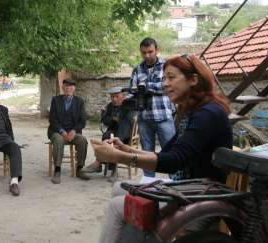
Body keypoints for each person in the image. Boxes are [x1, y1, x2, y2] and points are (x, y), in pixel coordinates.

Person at [93, 54, 233, 243]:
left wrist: (118, 157)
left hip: (200, 195)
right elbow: (166, 154)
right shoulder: (192, 112)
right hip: (187, 188)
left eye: (171, 77)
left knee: (116, 206)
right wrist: (126, 149)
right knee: (119, 188)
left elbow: (173, 162)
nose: (165, 84)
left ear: (193, 80)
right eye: (164, 78)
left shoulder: (208, 113)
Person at [130, 37, 176, 178]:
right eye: (144, 52)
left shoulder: (167, 66)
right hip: (145, 118)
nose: (147, 55)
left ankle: (176, 183)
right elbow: (133, 89)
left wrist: (146, 87)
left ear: (157, 50)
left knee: (172, 154)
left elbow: (168, 86)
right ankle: (148, 185)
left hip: (164, 117)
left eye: (150, 52)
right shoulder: (137, 69)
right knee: (146, 155)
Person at [81, 87, 135, 182]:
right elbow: (105, 120)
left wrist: (120, 117)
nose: (114, 99)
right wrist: (113, 119)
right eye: (112, 97)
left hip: (126, 137)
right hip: (112, 135)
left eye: (116, 96)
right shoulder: (110, 106)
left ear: (123, 96)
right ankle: (104, 165)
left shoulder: (129, 106)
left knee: (114, 136)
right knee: (107, 136)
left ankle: (103, 165)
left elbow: (131, 121)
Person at [48, 79, 89, 184]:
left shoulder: (79, 101)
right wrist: (62, 132)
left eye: (71, 86)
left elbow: (82, 121)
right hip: (57, 131)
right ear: (63, 88)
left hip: (73, 132)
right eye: (66, 86)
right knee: (58, 140)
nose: (68, 88)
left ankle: (80, 169)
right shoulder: (56, 100)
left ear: (74, 88)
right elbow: (52, 119)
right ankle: (57, 170)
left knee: (83, 140)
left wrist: (74, 131)